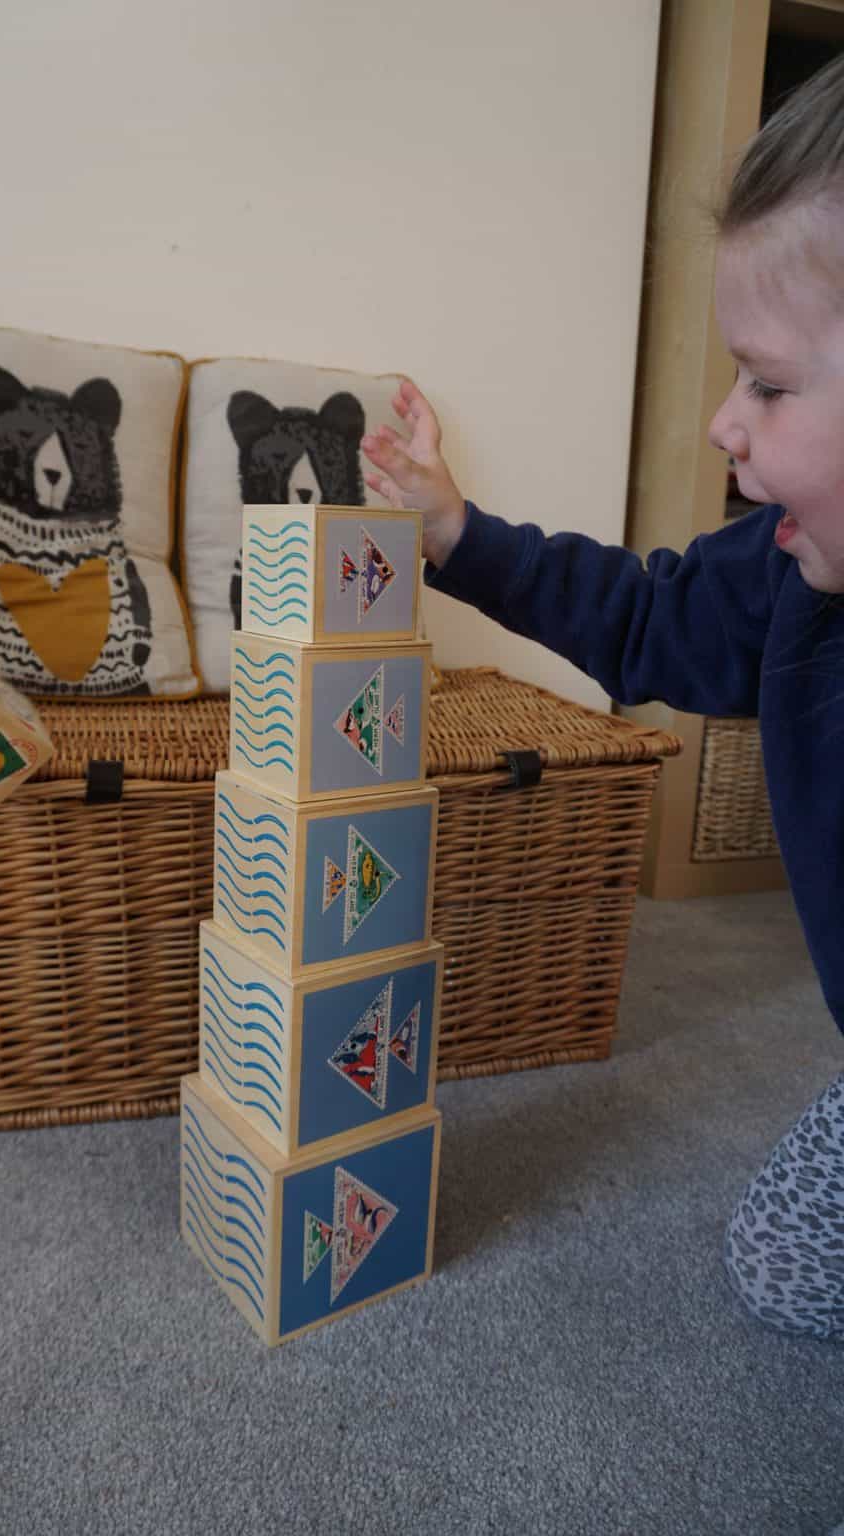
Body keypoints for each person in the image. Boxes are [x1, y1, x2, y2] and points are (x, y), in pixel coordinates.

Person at [361, 53, 844, 1344]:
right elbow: (644, 615)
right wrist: (456, 531)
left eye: (771, 384)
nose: (721, 427)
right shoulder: (795, 569)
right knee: (783, 1265)